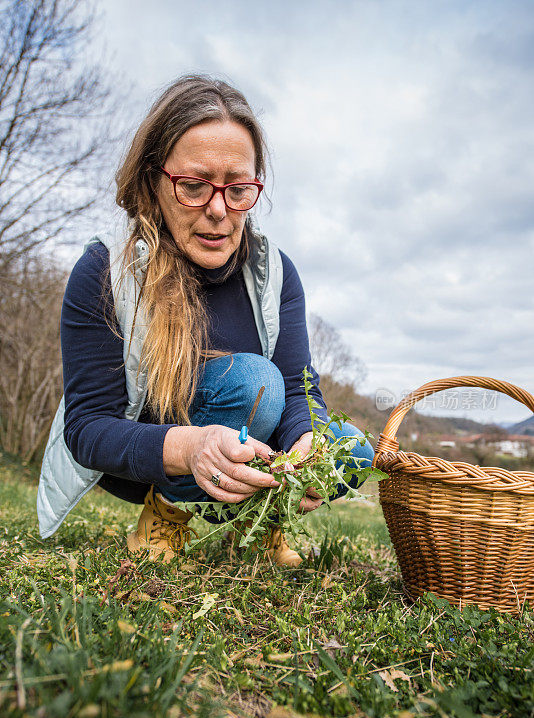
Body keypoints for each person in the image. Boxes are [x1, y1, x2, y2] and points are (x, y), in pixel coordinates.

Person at [37, 75, 374, 566]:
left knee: (351, 448)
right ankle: (166, 512)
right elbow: (87, 427)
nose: (219, 210)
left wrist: (307, 440)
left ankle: (260, 519)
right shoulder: (105, 271)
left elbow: (300, 386)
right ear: (155, 178)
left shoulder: (276, 273)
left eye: (239, 189)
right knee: (252, 382)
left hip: (247, 448)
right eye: (194, 186)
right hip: (153, 452)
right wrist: (190, 446)